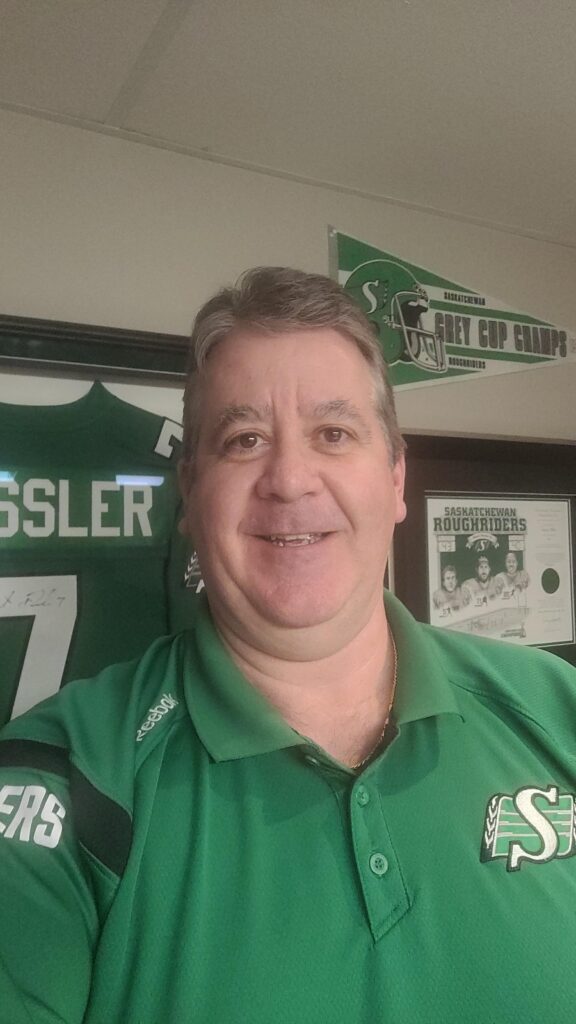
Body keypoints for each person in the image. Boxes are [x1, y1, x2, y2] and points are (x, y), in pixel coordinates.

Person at [1, 267, 576, 1024]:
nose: (291, 479)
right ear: (190, 491)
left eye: (333, 434)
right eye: (245, 440)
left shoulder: (556, 708)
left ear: (395, 477)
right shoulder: (62, 781)